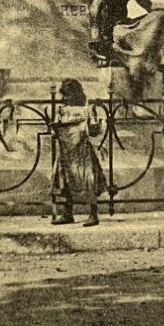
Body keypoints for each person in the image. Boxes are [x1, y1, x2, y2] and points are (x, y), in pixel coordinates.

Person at [51, 78, 105, 227]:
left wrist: (93, 121)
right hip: (66, 151)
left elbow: (94, 132)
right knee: (66, 179)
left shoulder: (86, 110)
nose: (65, 98)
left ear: (76, 94)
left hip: (83, 151)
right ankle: (67, 212)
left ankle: (93, 214)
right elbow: (55, 131)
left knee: (89, 180)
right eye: (64, 95)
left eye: (68, 95)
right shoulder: (61, 110)